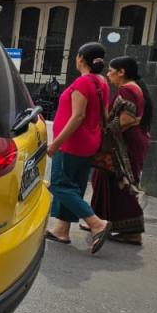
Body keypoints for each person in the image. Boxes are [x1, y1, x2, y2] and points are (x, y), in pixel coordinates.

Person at [46, 42, 111, 252]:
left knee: (59, 184)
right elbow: (105, 115)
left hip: (72, 144)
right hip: (89, 143)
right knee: (73, 185)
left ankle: (96, 224)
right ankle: (61, 230)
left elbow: (78, 116)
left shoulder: (83, 83)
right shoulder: (102, 82)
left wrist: (55, 143)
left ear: (81, 58)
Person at [88, 56, 153, 245]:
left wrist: (105, 129)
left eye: (110, 70)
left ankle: (131, 231)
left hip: (126, 143)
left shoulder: (128, 89)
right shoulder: (133, 88)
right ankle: (99, 221)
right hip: (130, 141)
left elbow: (127, 118)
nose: (108, 75)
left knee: (122, 183)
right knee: (107, 179)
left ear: (121, 72)